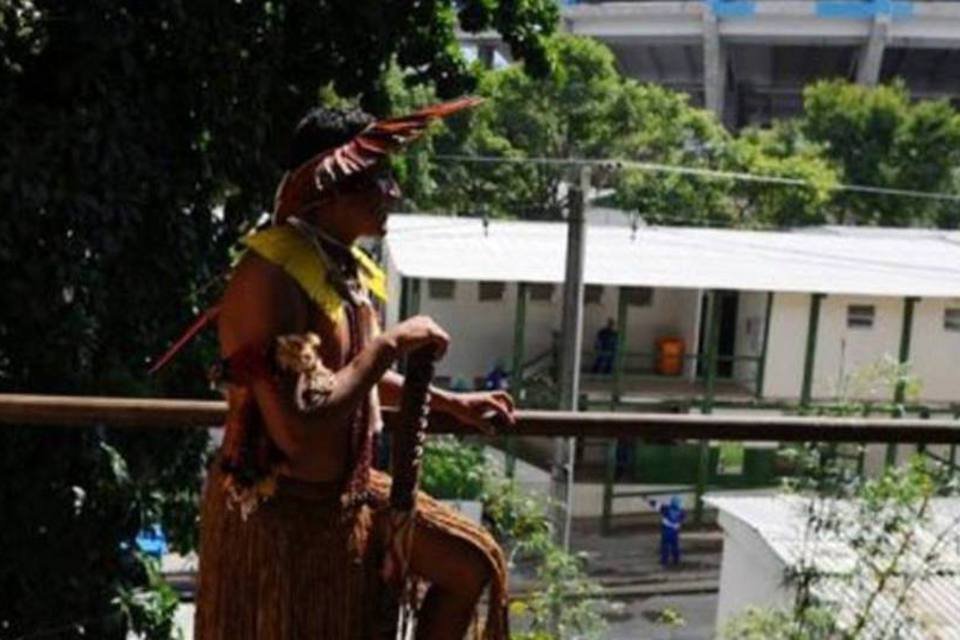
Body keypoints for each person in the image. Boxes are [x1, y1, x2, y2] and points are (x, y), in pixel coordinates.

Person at [193, 100, 516, 640]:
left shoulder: (341, 268)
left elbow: (349, 378)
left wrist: (452, 404)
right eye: (378, 177)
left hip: (346, 498)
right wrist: (391, 344)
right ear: (332, 183)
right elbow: (298, 425)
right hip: (279, 518)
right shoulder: (271, 275)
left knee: (470, 565)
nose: (392, 193)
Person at [649, 495, 686, 567]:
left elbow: (657, 505)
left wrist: (648, 500)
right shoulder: (682, 512)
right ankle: (676, 560)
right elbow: (681, 519)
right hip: (675, 531)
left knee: (665, 545)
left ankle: (664, 561)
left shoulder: (666, 508)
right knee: (675, 545)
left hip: (666, 530)